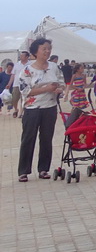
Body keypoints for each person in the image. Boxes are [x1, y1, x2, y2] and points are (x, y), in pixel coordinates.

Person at [16, 38, 64, 181]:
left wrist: (58, 90)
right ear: (35, 51)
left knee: (46, 139)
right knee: (28, 139)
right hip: (32, 109)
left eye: (49, 48)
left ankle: (43, 169)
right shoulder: (27, 70)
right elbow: (25, 91)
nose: (47, 51)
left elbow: (61, 83)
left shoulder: (54, 67)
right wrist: (46, 89)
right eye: (44, 49)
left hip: (49, 108)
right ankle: (23, 171)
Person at [67, 62, 92, 126]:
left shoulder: (83, 75)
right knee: (75, 105)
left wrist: (84, 87)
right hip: (77, 92)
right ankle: (71, 118)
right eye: (81, 68)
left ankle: (78, 118)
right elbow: (71, 85)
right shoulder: (74, 76)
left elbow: (85, 83)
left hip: (82, 92)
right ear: (77, 69)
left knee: (81, 105)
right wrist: (77, 88)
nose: (83, 69)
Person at [10, 50, 30, 118]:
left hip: (26, 85)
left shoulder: (30, 65)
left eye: (22, 55)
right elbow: (13, 75)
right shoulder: (17, 64)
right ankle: (16, 109)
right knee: (14, 99)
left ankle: (22, 113)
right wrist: (9, 84)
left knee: (24, 99)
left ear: (27, 57)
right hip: (16, 84)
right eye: (20, 55)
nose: (20, 57)